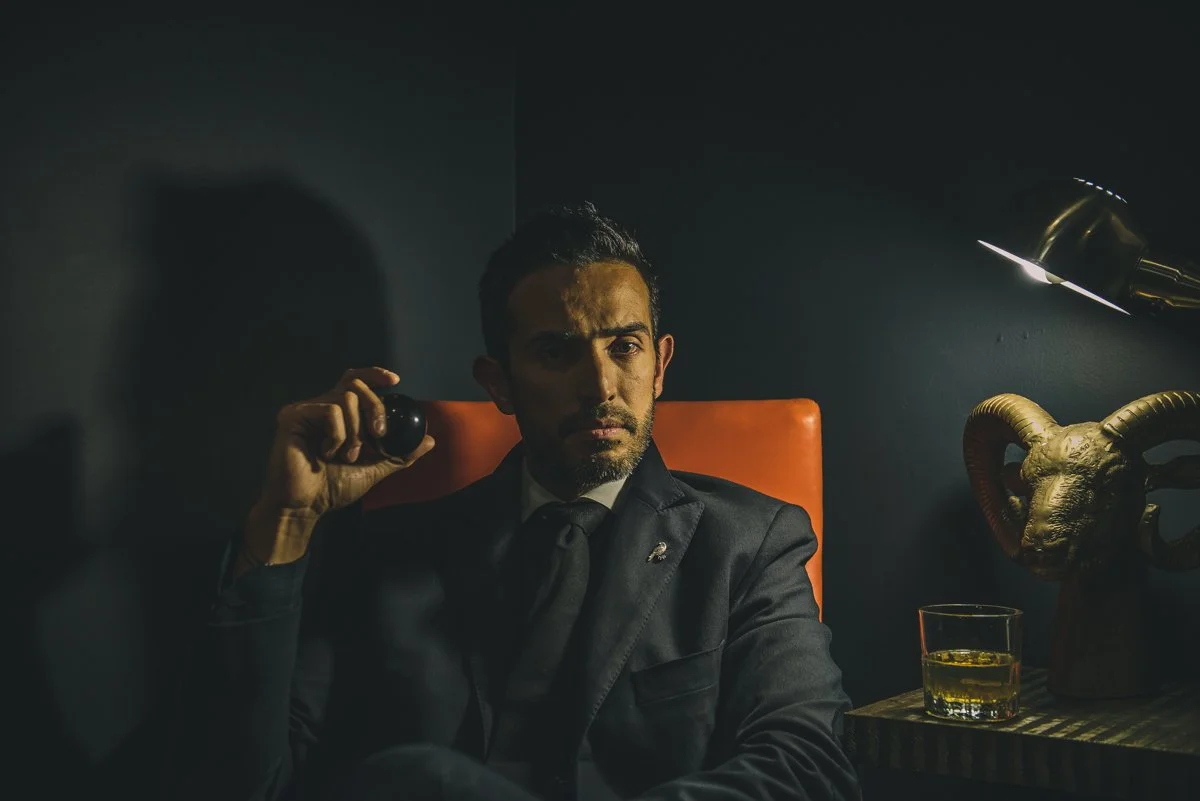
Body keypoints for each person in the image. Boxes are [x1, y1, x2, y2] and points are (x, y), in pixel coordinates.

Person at [165, 203, 861, 800]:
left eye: (625, 346)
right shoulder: (388, 550)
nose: (600, 385)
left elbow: (807, 765)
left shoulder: (750, 541)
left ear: (659, 366)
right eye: (557, 353)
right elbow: (248, 785)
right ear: (498, 382)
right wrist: (285, 521)